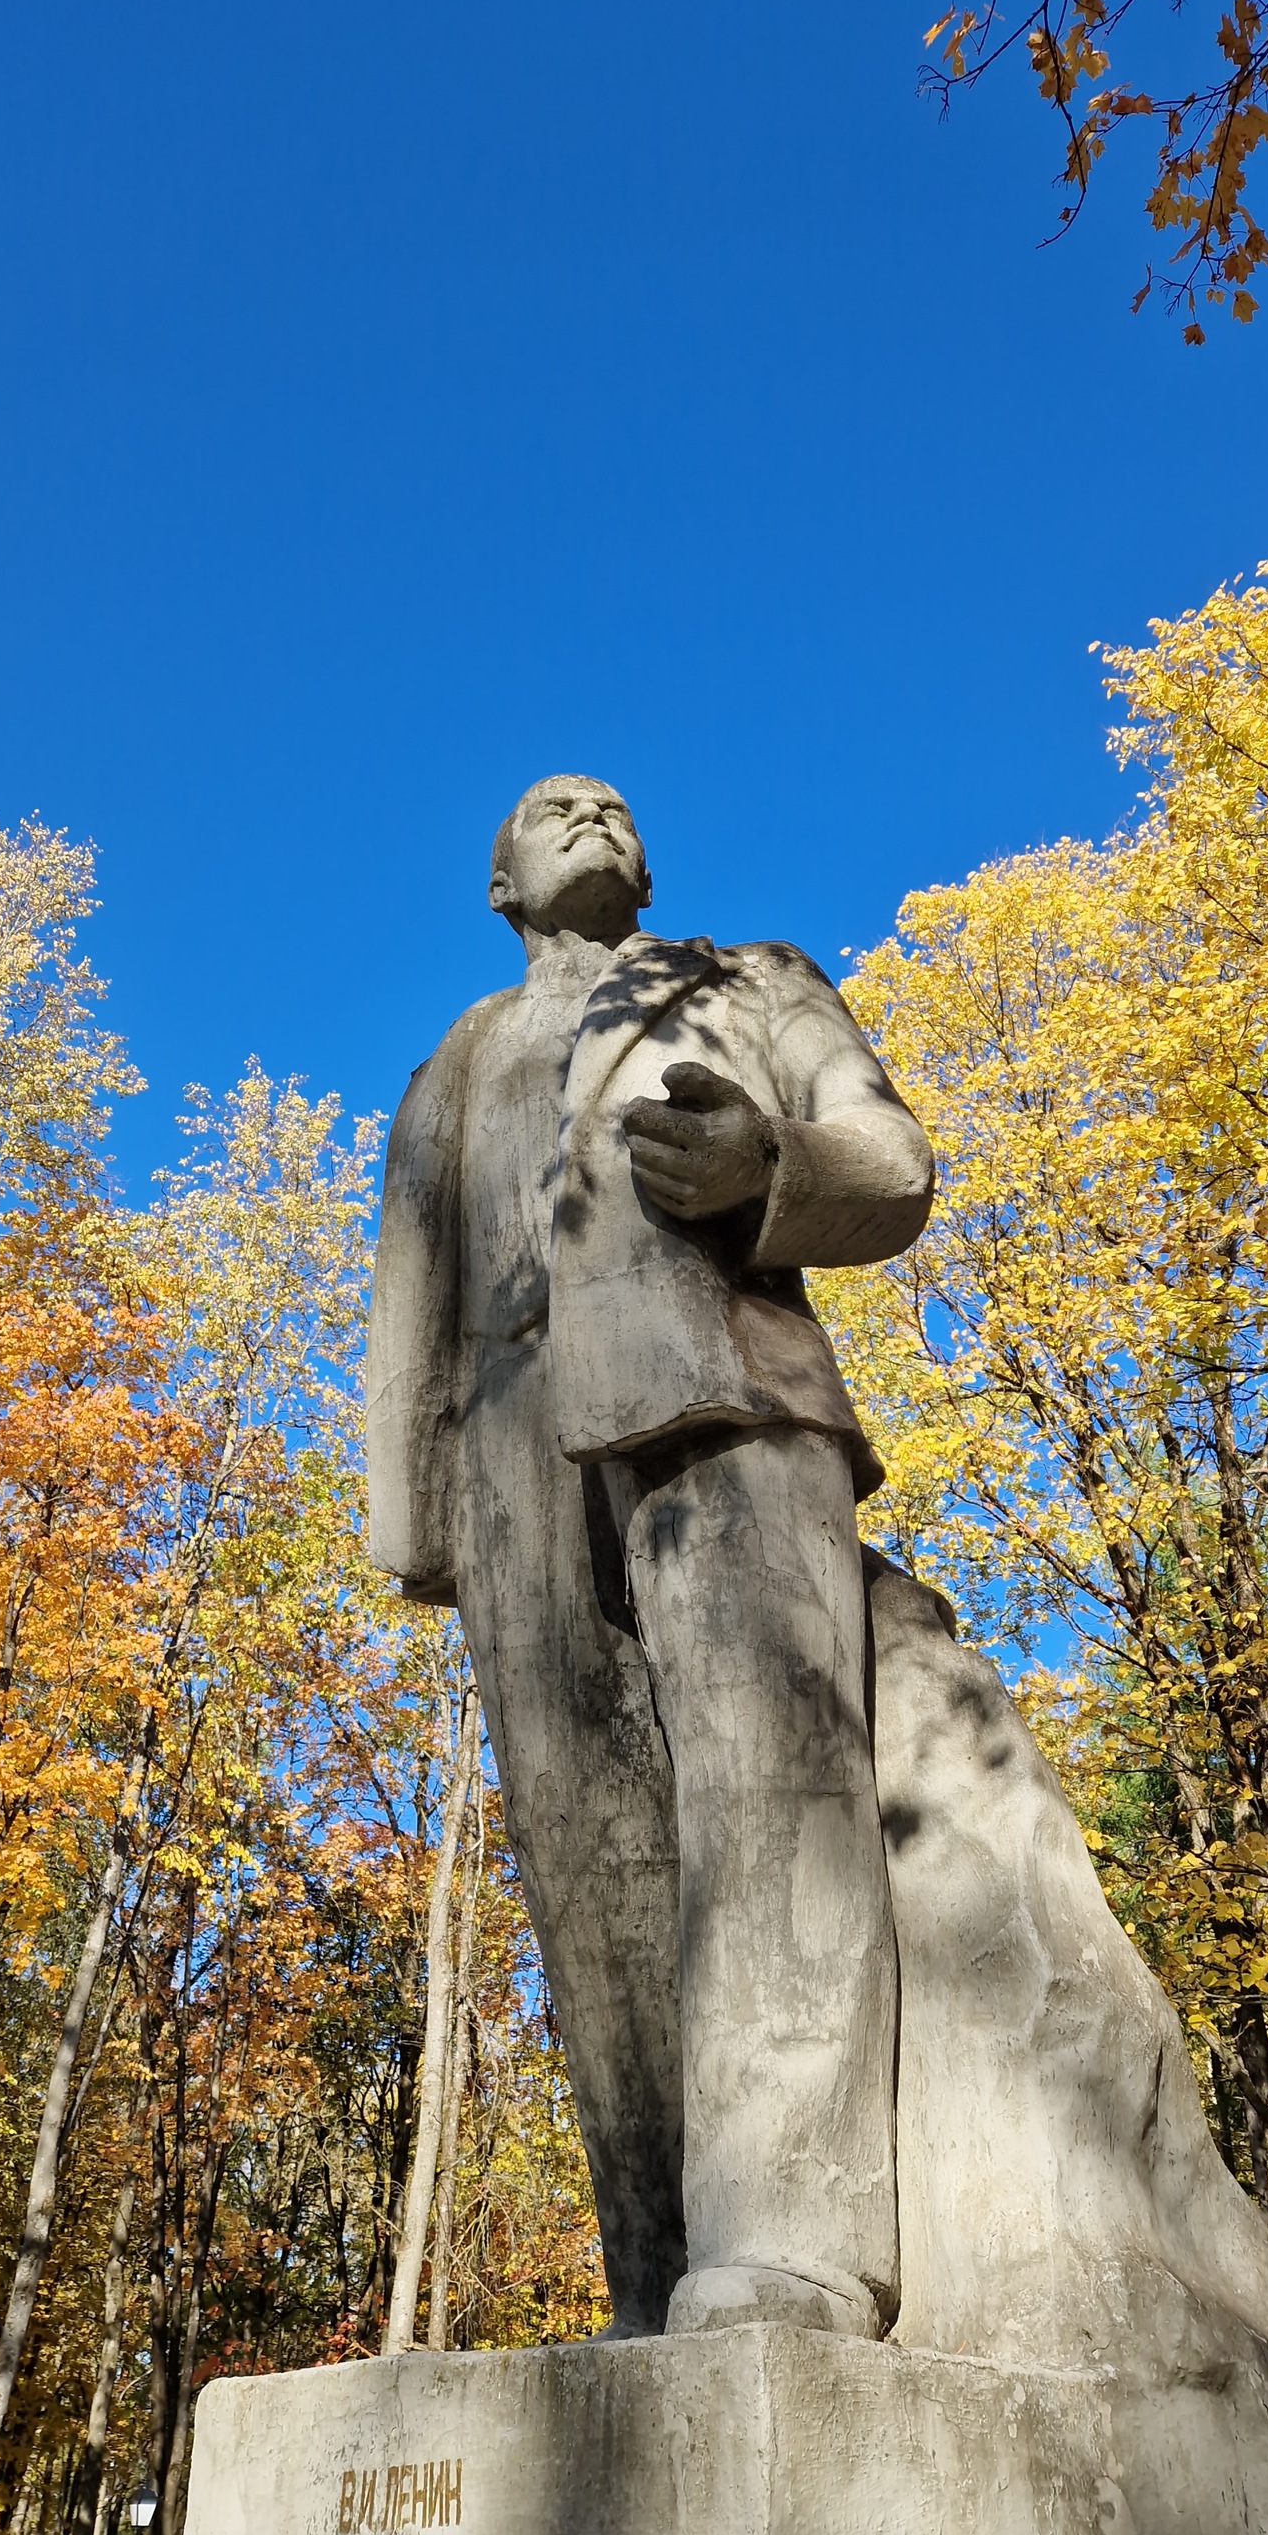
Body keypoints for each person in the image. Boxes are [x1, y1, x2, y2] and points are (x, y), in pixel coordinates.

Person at [366, 775, 934, 2340]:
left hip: (723, 1375)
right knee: (591, 1869)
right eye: (555, 808)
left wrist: (776, 1172)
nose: (591, 813)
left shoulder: (749, 979)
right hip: (502, 1453)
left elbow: (893, 1162)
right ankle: (661, 2266)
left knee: (771, 1789)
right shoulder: (453, 1063)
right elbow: (414, 1277)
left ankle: (798, 2241)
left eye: (615, 804)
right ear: (501, 882)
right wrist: (411, 1515)